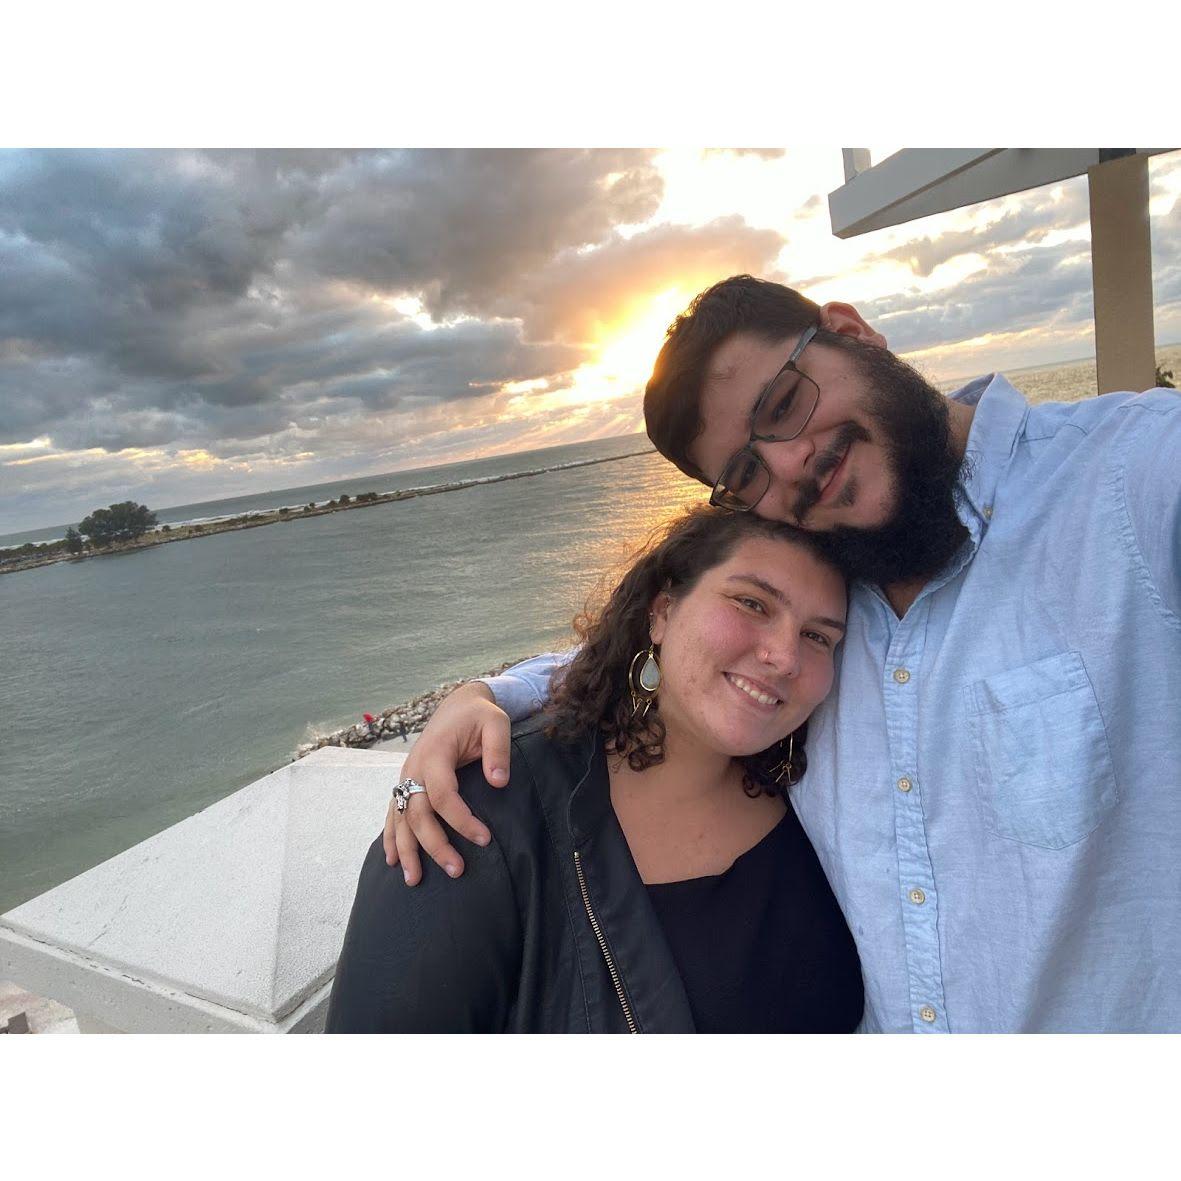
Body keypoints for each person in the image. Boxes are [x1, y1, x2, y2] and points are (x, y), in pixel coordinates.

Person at [384, 274, 1181, 1034]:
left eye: (784, 402)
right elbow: (677, 645)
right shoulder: (821, 605)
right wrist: (485, 693)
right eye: (745, 473)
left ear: (850, 331)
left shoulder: (1129, 479)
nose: (792, 463)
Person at [326, 507, 863, 1032]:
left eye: (819, 636)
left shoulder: (812, 790)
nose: (786, 657)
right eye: (752, 603)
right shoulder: (475, 816)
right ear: (662, 612)